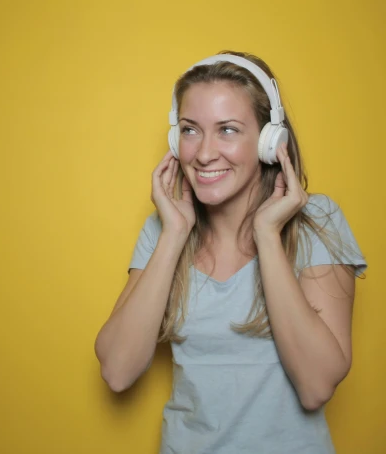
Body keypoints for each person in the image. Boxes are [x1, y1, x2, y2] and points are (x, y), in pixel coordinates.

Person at [94, 51, 368, 453]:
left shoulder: (317, 222)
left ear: (269, 141)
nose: (203, 154)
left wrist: (267, 235)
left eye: (227, 130)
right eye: (189, 130)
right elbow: (117, 371)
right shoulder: (163, 228)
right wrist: (174, 234)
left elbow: (316, 386)